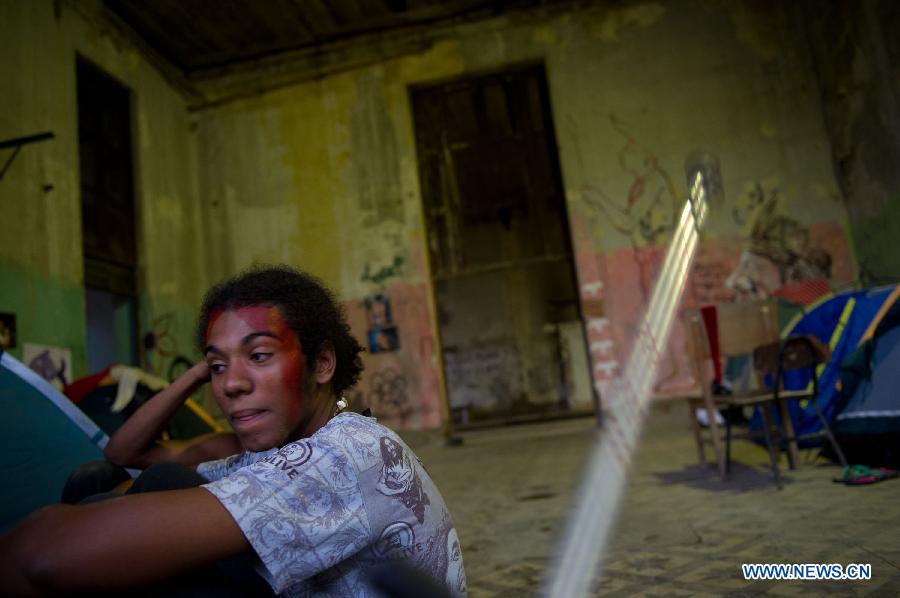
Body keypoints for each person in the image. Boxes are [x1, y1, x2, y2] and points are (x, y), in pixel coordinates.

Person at [1, 265, 466, 596]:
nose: (231, 384)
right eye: (218, 366)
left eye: (259, 355)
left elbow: (41, 556)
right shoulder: (276, 449)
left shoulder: (351, 452)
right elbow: (124, 451)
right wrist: (192, 375)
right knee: (129, 481)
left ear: (322, 364)